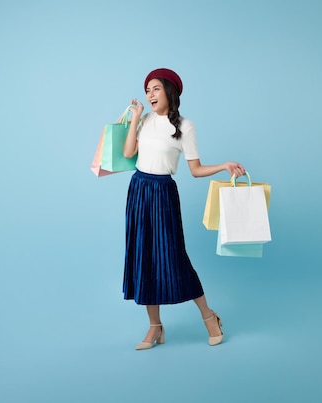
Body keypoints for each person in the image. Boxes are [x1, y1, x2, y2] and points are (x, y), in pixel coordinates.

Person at [122, 68, 246, 350]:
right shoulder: (145, 121)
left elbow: (196, 169)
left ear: (169, 91)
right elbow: (129, 153)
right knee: (143, 256)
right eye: (147, 90)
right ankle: (155, 327)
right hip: (139, 190)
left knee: (174, 257)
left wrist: (223, 166)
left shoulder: (185, 127)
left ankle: (209, 316)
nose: (150, 94)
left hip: (163, 193)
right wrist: (134, 120)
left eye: (155, 89)